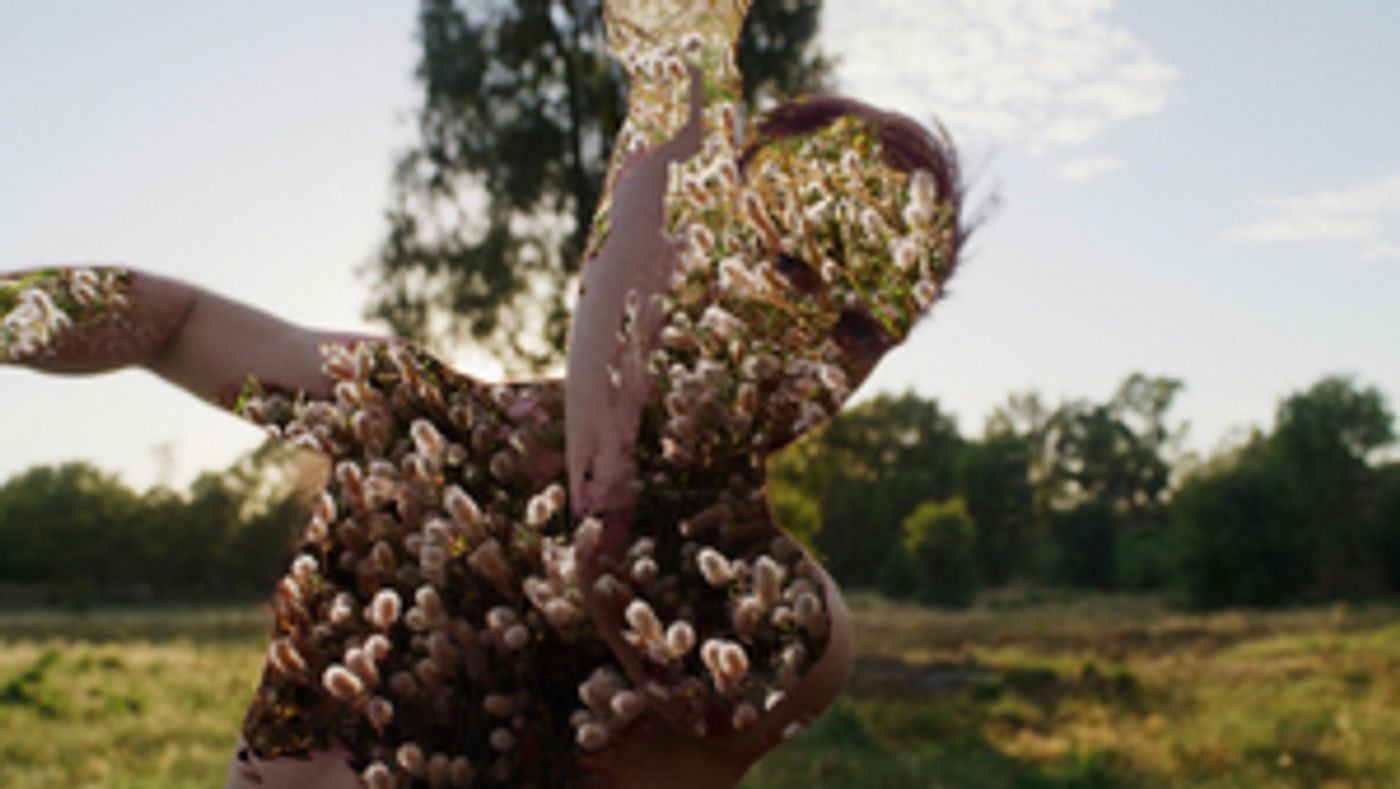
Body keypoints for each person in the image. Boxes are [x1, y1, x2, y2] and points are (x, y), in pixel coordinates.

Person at [0, 3, 961, 785]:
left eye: (862, 328)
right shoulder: (412, 423)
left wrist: (680, 66)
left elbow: (611, 495)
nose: (803, 340)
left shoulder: (780, 626)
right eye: (786, 262)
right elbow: (167, 318)